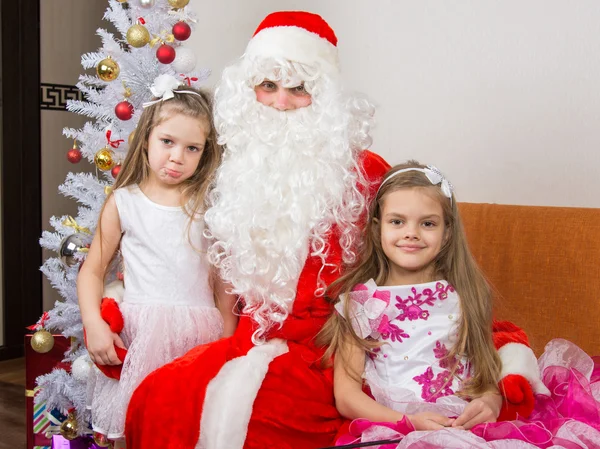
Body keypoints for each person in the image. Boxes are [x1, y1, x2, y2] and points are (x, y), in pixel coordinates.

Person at [125, 12, 543, 449]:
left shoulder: (367, 176)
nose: (281, 103)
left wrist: (500, 370)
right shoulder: (225, 172)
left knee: (262, 422)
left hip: (331, 353)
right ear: (248, 92)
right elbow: (160, 244)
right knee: (159, 397)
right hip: (243, 341)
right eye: (267, 86)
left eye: (299, 88)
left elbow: (430, 282)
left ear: (323, 96)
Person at [324, 161, 600, 448]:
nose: (411, 233)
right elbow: (346, 396)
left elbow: (485, 365)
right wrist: (409, 423)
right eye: (397, 221)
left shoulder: (464, 293)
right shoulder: (362, 303)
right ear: (377, 228)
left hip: (467, 425)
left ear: (446, 232)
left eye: (428, 223)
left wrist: (492, 399)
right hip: (399, 428)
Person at [77, 74, 237, 442]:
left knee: (189, 429)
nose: (177, 157)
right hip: (140, 336)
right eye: (167, 142)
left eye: (192, 148)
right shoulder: (124, 202)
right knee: (138, 427)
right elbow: (92, 271)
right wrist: (94, 324)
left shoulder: (208, 207)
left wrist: (228, 339)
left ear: (205, 151)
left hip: (198, 339)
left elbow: (222, 282)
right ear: (147, 136)